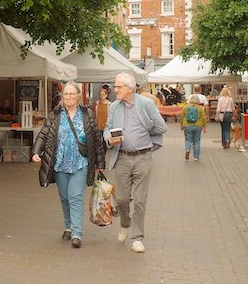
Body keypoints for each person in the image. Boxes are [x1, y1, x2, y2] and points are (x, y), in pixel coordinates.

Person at [33, 82, 105, 248]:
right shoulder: (55, 115)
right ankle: (68, 226)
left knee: (75, 196)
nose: (69, 97)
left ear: (79, 96)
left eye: (72, 94)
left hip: (81, 162)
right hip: (60, 163)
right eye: (66, 94)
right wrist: (36, 151)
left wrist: (100, 162)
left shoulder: (87, 114)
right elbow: (43, 134)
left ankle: (77, 233)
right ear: (62, 97)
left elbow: (97, 140)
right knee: (65, 197)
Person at [104, 73, 167, 253]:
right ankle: (125, 223)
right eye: (115, 87)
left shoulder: (146, 104)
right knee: (122, 199)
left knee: (139, 200)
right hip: (122, 157)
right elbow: (107, 128)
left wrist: (145, 130)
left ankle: (138, 238)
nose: (115, 90)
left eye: (118, 87)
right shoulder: (114, 107)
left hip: (143, 157)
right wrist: (109, 139)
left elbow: (161, 126)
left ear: (130, 88)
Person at [181, 94, 207, 161]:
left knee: (188, 139)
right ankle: (196, 157)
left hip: (187, 125)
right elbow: (204, 118)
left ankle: (187, 149)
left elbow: (182, 116)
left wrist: (181, 125)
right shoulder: (200, 108)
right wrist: (204, 126)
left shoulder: (186, 107)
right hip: (198, 126)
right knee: (197, 141)